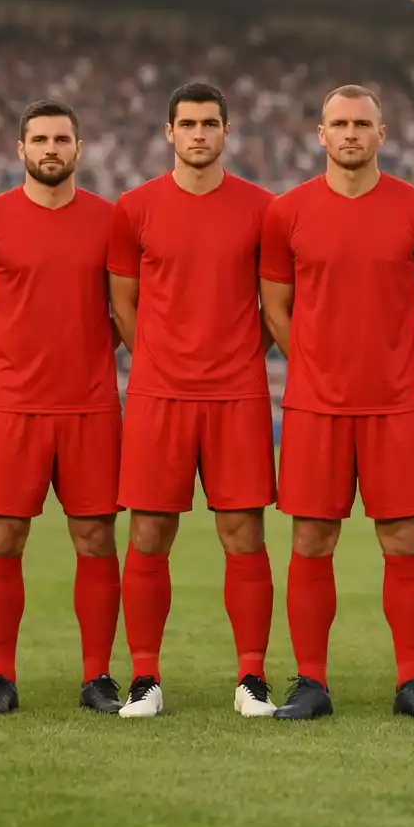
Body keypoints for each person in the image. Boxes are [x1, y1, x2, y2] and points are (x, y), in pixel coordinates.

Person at [259, 84, 414, 722]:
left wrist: (396, 365)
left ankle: (412, 682)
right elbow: (276, 308)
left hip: (395, 405)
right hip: (315, 405)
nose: (350, 134)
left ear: (381, 134)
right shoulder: (286, 213)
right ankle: (311, 683)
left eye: (362, 125)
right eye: (339, 124)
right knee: (312, 538)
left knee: (403, 538)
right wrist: (315, 364)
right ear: (321, 134)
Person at [107, 83, 278, 718]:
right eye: (188, 124)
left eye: (210, 123)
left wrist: (238, 354)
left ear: (226, 132)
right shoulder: (134, 209)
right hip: (159, 396)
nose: (199, 134)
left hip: (237, 395)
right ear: (169, 133)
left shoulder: (263, 208)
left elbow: (275, 306)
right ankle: (144, 678)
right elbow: (123, 302)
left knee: (244, 533)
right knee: (149, 532)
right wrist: (160, 358)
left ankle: (252, 678)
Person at [0, 99, 123, 716]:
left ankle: (98, 677)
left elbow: (126, 307)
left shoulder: (111, 220)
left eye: (62, 139)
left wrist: (88, 355)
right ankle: (0, 676)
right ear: (21, 149)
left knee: (95, 537)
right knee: (2, 537)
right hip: (13, 407)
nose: (51, 149)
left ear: (79, 149)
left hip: (90, 407)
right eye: (41, 140)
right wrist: (7, 367)